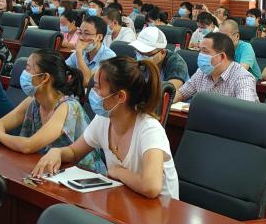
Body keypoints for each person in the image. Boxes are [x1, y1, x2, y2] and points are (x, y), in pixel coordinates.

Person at [33, 57, 179, 199]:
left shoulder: (149, 129)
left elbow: (151, 186)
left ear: (120, 96)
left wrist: (119, 172)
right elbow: (74, 152)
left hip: (161, 209)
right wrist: (57, 152)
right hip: (126, 199)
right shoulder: (103, 119)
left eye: (97, 87)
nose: (92, 92)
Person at [0, 50, 104, 173]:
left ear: (45, 78)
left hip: (81, 176)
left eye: (28, 69)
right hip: (46, 167)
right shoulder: (33, 100)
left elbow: (28, 146)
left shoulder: (67, 107)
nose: (24, 73)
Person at [174, 32, 258, 103]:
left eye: (205, 51)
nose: (200, 55)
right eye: (200, 50)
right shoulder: (201, 72)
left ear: (222, 56)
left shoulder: (243, 78)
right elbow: (181, 94)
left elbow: (245, 111)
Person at [130, 25, 188, 90]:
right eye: (139, 52)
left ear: (162, 53)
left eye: (147, 54)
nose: (141, 57)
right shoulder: (138, 59)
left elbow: (170, 89)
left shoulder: (176, 62)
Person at [67, 15, 116, 85]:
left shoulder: (109, 57)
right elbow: (63, 69)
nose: (81, 38)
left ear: (99, 37)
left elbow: (88, 82)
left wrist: (79, 52)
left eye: (87, 33)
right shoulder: (83, 51)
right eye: (80, 32)